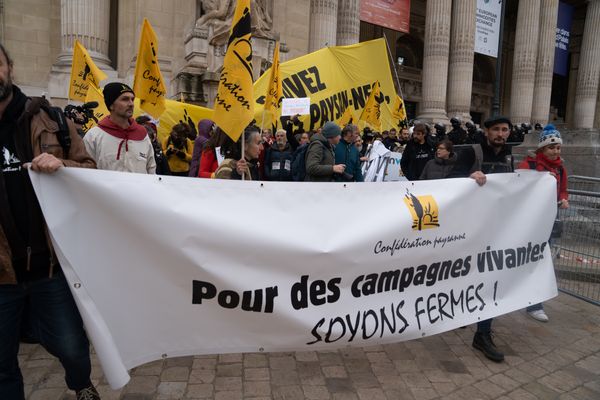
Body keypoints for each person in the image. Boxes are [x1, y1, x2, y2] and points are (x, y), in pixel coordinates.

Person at [0, 44, 100, 400]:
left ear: (9, 67)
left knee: (73, 348)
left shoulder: (52, 120)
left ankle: (81, 385)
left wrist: (62, 166)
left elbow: (90, 171)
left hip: (49, 267)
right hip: (2, 274)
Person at [516, 124, 569, 323]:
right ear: (541, 149)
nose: (556, 151)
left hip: (547, 223)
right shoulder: (527, 166)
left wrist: (564, 199)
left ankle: (535, 304)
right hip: (526, 223)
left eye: (558, 148)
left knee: (540, 262)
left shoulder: (561, 170)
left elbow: (563, 190)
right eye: (551, 147)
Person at [83, 82, 156, 174]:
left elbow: (151, 171)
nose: (131, 104)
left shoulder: (143, 134)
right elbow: (86, 173)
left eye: (132, 99)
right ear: (111, 105)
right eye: (125, 99)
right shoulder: (94, 136)